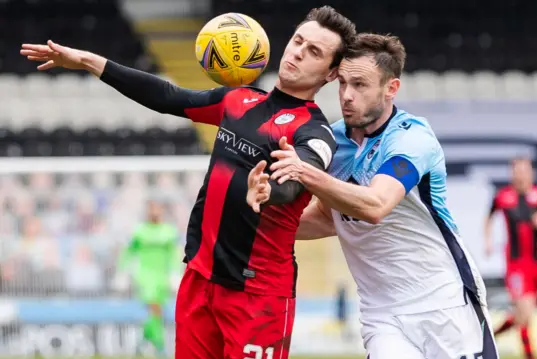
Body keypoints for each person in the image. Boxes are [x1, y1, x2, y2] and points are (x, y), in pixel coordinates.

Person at [21, 7, 356, 359]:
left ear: (332, 73)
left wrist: (270, 190)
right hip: (200, 279)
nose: (299, 51)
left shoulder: (314, 132)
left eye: (315, 51)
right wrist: (90, 62)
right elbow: (168, 96)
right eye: (298, 41)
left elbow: (297, 178)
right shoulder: (238, 99)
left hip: (258, 295)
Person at [247, 33, 498, 359]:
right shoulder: (332, 141)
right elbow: (328, 218)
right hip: (381, 315)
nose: (347, 96)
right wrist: (255, 217)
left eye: (361, 85)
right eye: (343, 84)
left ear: (390, 88)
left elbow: (377, 205)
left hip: (445, 303)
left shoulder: (411, 139)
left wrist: (305, 172)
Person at [484, 157, 537, 359]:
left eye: (525, 171)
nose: (521, 175)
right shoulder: (502, 196)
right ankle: (530, 355)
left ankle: (488, 338)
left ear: (531, 173)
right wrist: (488, 241)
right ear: (512, 174)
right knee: (524, 312)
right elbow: (488, 219)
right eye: (517, 171)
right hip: (516, 264)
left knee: (523, 315)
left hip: (536, 263)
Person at [117, 199, 180, 357]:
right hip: (144, 275)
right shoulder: (139, 231)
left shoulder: (169, 231)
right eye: (152, 209)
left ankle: (143, 341)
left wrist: (175, 273)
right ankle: (160, 348)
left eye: (158, 209)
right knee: (154, 307)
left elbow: (174, 254)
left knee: (156, 313)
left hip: (162, 276)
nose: (155, 212)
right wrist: (122, 272)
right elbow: (129, 251)